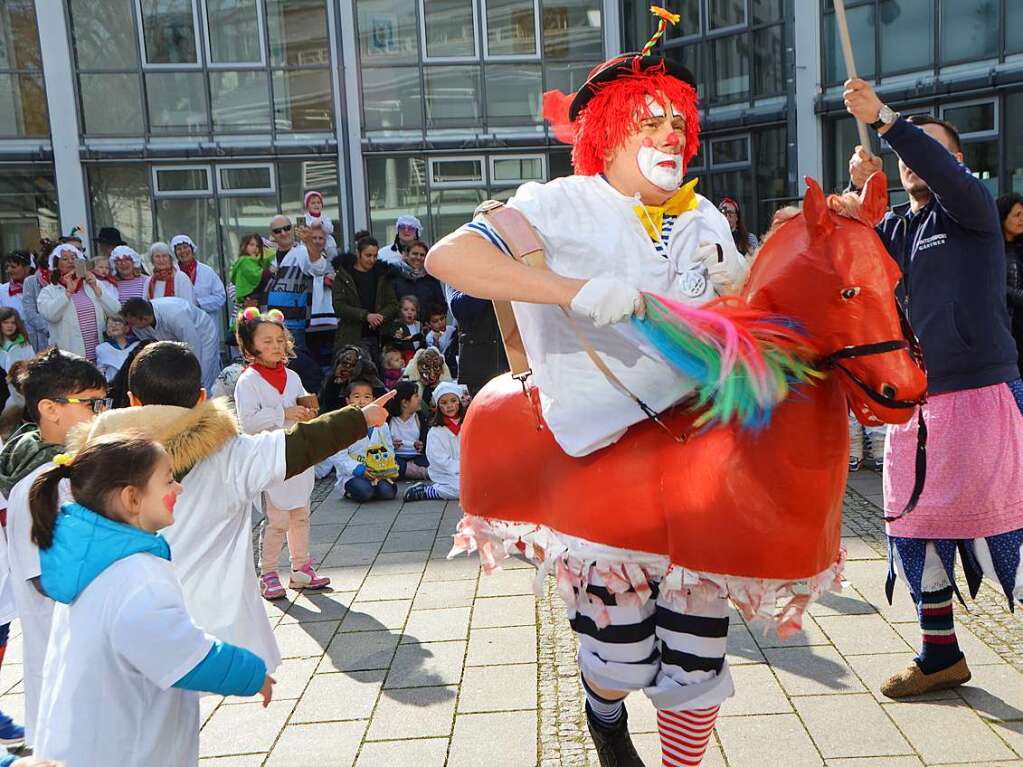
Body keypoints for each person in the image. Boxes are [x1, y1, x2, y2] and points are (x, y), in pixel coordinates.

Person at [427, 42, 748, 764]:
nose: (670, 135)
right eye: (649, 120)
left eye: (678, 122)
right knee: (622, 658)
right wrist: (574, 292)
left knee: (696, 660)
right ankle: (604, 715)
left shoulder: (703, 217)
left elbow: (737, 337)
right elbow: (448, 259)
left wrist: (744, 289)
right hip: (596, 469)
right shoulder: (555, 202)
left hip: (697, 466)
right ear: (606, 129)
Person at [843, 78, 1023, 698]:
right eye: (905, 158)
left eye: (931, 152)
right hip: (916, 404)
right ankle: (939, 654)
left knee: (1006, 527)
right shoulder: (899, 227)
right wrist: (858, 188)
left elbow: (935, 167)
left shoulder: (972, 210)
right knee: (915, 528)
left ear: (956, 162)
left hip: (981, 392)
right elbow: (854, 252)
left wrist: (888, 120)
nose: (912, 163)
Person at [70, 341, 393, 674]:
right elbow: (297, 445)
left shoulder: (88, 465)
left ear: (134, 400)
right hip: (213, 631)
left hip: (127, 633)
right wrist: (360, 418)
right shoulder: (230, 454)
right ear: (200, 397)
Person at [29, 434, 273, 766]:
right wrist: (251, 673)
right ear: (132, 498)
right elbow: (186, 655)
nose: (179, 489)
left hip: (85, 743)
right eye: (169, 480)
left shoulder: (91, 564)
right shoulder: (136, 579)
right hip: (124, 752)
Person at [0, 349, 108, 748]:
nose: (101, 413)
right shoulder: (40, 482)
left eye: (104, 401)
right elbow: (46, 578)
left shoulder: (76, 466)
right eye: (92, 404)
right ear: (50, 408)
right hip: (67, 668)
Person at [233, 310, 327, 599]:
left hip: (297, 453)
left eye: (280, 340)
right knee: (277, 519)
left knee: (301, 514)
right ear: (250, 348)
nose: (276, 345)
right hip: (268, 457)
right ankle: (269, 572)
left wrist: (308, 413)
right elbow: (247, 422)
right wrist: (282, 413)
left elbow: (300, 405)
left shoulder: (293, 376)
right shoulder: (247, 381)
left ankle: (301, 568)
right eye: (267, 341)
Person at [37, 243, 121, 362]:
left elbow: (115, 311)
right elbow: (51, 315)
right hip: (70, 358)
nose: (70, 262)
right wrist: (68, 292)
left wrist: (96, 287)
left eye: (73, 258)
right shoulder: (49, 291)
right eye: (65, 259)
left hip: (99, 356)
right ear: (56, 264)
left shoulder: (92, 284)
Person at [120, 297, 221, 391]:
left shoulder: (176, 314)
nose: (130, 327)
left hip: (202, 334)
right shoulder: (139, 325)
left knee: (203, 374)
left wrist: (195, 374)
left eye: (132, 323)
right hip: (174, 340)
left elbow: (193, 345)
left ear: (145, 319)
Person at [266, 215, 330, 352]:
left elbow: (319, 268)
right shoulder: (268, 257)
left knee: (295, 365)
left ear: (293, 229)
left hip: (294, 325)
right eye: (278, 231)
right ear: (272, 235)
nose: (283, 233)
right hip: (270, 324)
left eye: (287, 228)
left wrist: (309, 242)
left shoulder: (301, 251)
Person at [332, 236, 399, 361]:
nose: (372, 260)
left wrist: (379, 317)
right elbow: (339, 307)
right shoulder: (343, 276)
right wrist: (366, 316)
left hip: (379, 336)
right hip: (352, 336)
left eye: (375, 256)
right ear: (358, 253)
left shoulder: (382, 275)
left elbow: (393, 305)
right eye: (368, 255)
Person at [332, 380, 399, 503]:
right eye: (356, 397)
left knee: (388, 493)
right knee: (365, 492)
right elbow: (338, 456)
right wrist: (360, 470)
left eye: (367, 397)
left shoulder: (382, 424)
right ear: (348, 400)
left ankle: (374, 488)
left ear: (373, 399)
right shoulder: (342, 425)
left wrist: (390, 467)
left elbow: (389, 448)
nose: (362, 401)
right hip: (352, 473)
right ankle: (350, 491)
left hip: (378, 472)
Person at [404, 381, 465, 501]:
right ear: (438, 406)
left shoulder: (468, 424)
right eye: (444, 402)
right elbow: (438, 458)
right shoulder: (436, 431)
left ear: (459, 402)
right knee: (461, 489)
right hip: (447, 473)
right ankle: (429, 491)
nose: (450, 406)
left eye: (453, 400)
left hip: (468, 469)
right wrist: (460, 467)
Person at [449, 289, 508, 396]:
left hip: (512, 360)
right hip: (479, 368)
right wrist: (487, 283)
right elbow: (459, 308)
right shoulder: (458, 274)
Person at [171, 234, 227, 337]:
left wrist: (198, 303)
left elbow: (221, 296)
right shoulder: (171, 274)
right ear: (175, 253)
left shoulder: (207, 271)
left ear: (192, 248)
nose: (183, 251)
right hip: (181, 325)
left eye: (185, 247)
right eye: (178, 249)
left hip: (206, 324)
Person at [319, 345, 385, 413]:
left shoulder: (373, 383)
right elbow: (328, 409)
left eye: (352, 365)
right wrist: (336, 384)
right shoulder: (332, 382)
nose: (347, 367)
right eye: (344, 363)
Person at [386, 380, 428, 480]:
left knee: (431, 462)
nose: (419, 399)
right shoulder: (388, 419)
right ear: (405, 402)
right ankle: (412, 471)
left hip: (416, 457)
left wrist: (421, 446)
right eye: (416, 396)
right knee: (390, 463)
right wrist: (391, 445)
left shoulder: (421, 417)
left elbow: (426, 441)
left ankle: (406, 470)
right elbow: (380, 443)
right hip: (396, 457)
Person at [392, 240, 447, 314]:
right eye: (415, 254)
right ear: (406, 255)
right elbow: (390, 304)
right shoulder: (394, 275)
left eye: (422, 255)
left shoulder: (431, 277)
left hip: (427, 324)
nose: (418, 257)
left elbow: (441, 305)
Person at [999, 193, 1023, 357]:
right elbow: (991, 285)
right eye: (1017, 215)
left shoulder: (1019, 247)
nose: (1022, 219)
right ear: (1003, 217)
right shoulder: (991, 250)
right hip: (1007, 327)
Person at [229, 233, 273, 320]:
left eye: (258, 246)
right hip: (248, 305)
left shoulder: (257, 263)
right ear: (244, 246)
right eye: (251, 245)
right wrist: (270, 271)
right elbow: (258, 276)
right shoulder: (245, 261)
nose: (255, 248)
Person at [0, 308, 34, 412]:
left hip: (19, 393)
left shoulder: (23, 344)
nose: (10, 326)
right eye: (6, 322)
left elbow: (32, 366)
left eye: (13, 323)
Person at [94, 315, 139, 382]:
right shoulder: (102, 349)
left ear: (127, 328)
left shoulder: (137, 345)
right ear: (107, 332)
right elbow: (101, 370)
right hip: (113, 385)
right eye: (110, 325)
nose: (113, 326)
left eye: (117, 323)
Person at [303, 191, 338, 260]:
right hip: (311, 240)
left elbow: (330, 229)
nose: (316, 205)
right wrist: (312, 224)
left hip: (325, 239)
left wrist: (322, 224)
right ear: (307, 206)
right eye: (313, 203)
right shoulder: (305, 217)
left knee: (331, 247)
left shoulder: (325, 217)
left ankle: (333, 263)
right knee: (303, 249)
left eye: (318, 203)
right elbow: (304, 226)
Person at [0, 252, 32, 322]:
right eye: (7, 267)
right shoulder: (2, 291)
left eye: (13, 267)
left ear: (27, 268)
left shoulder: (40, 287)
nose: (9, 270)